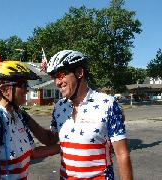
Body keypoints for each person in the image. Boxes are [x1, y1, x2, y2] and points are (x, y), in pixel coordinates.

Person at [45, 50, 133, 179]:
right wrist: (25, 116)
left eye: (61, 75)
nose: (57, 82)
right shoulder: (59, 106)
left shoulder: (107, 104)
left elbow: (122, 154)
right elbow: (51, 140)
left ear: (79, 72)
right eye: (54, 78)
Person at [0, 54, 59, 180]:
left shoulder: (17, 115)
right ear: (5, 89)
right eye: (22, 85)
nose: (27, 90)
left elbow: (32, 152)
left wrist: (66, 147)